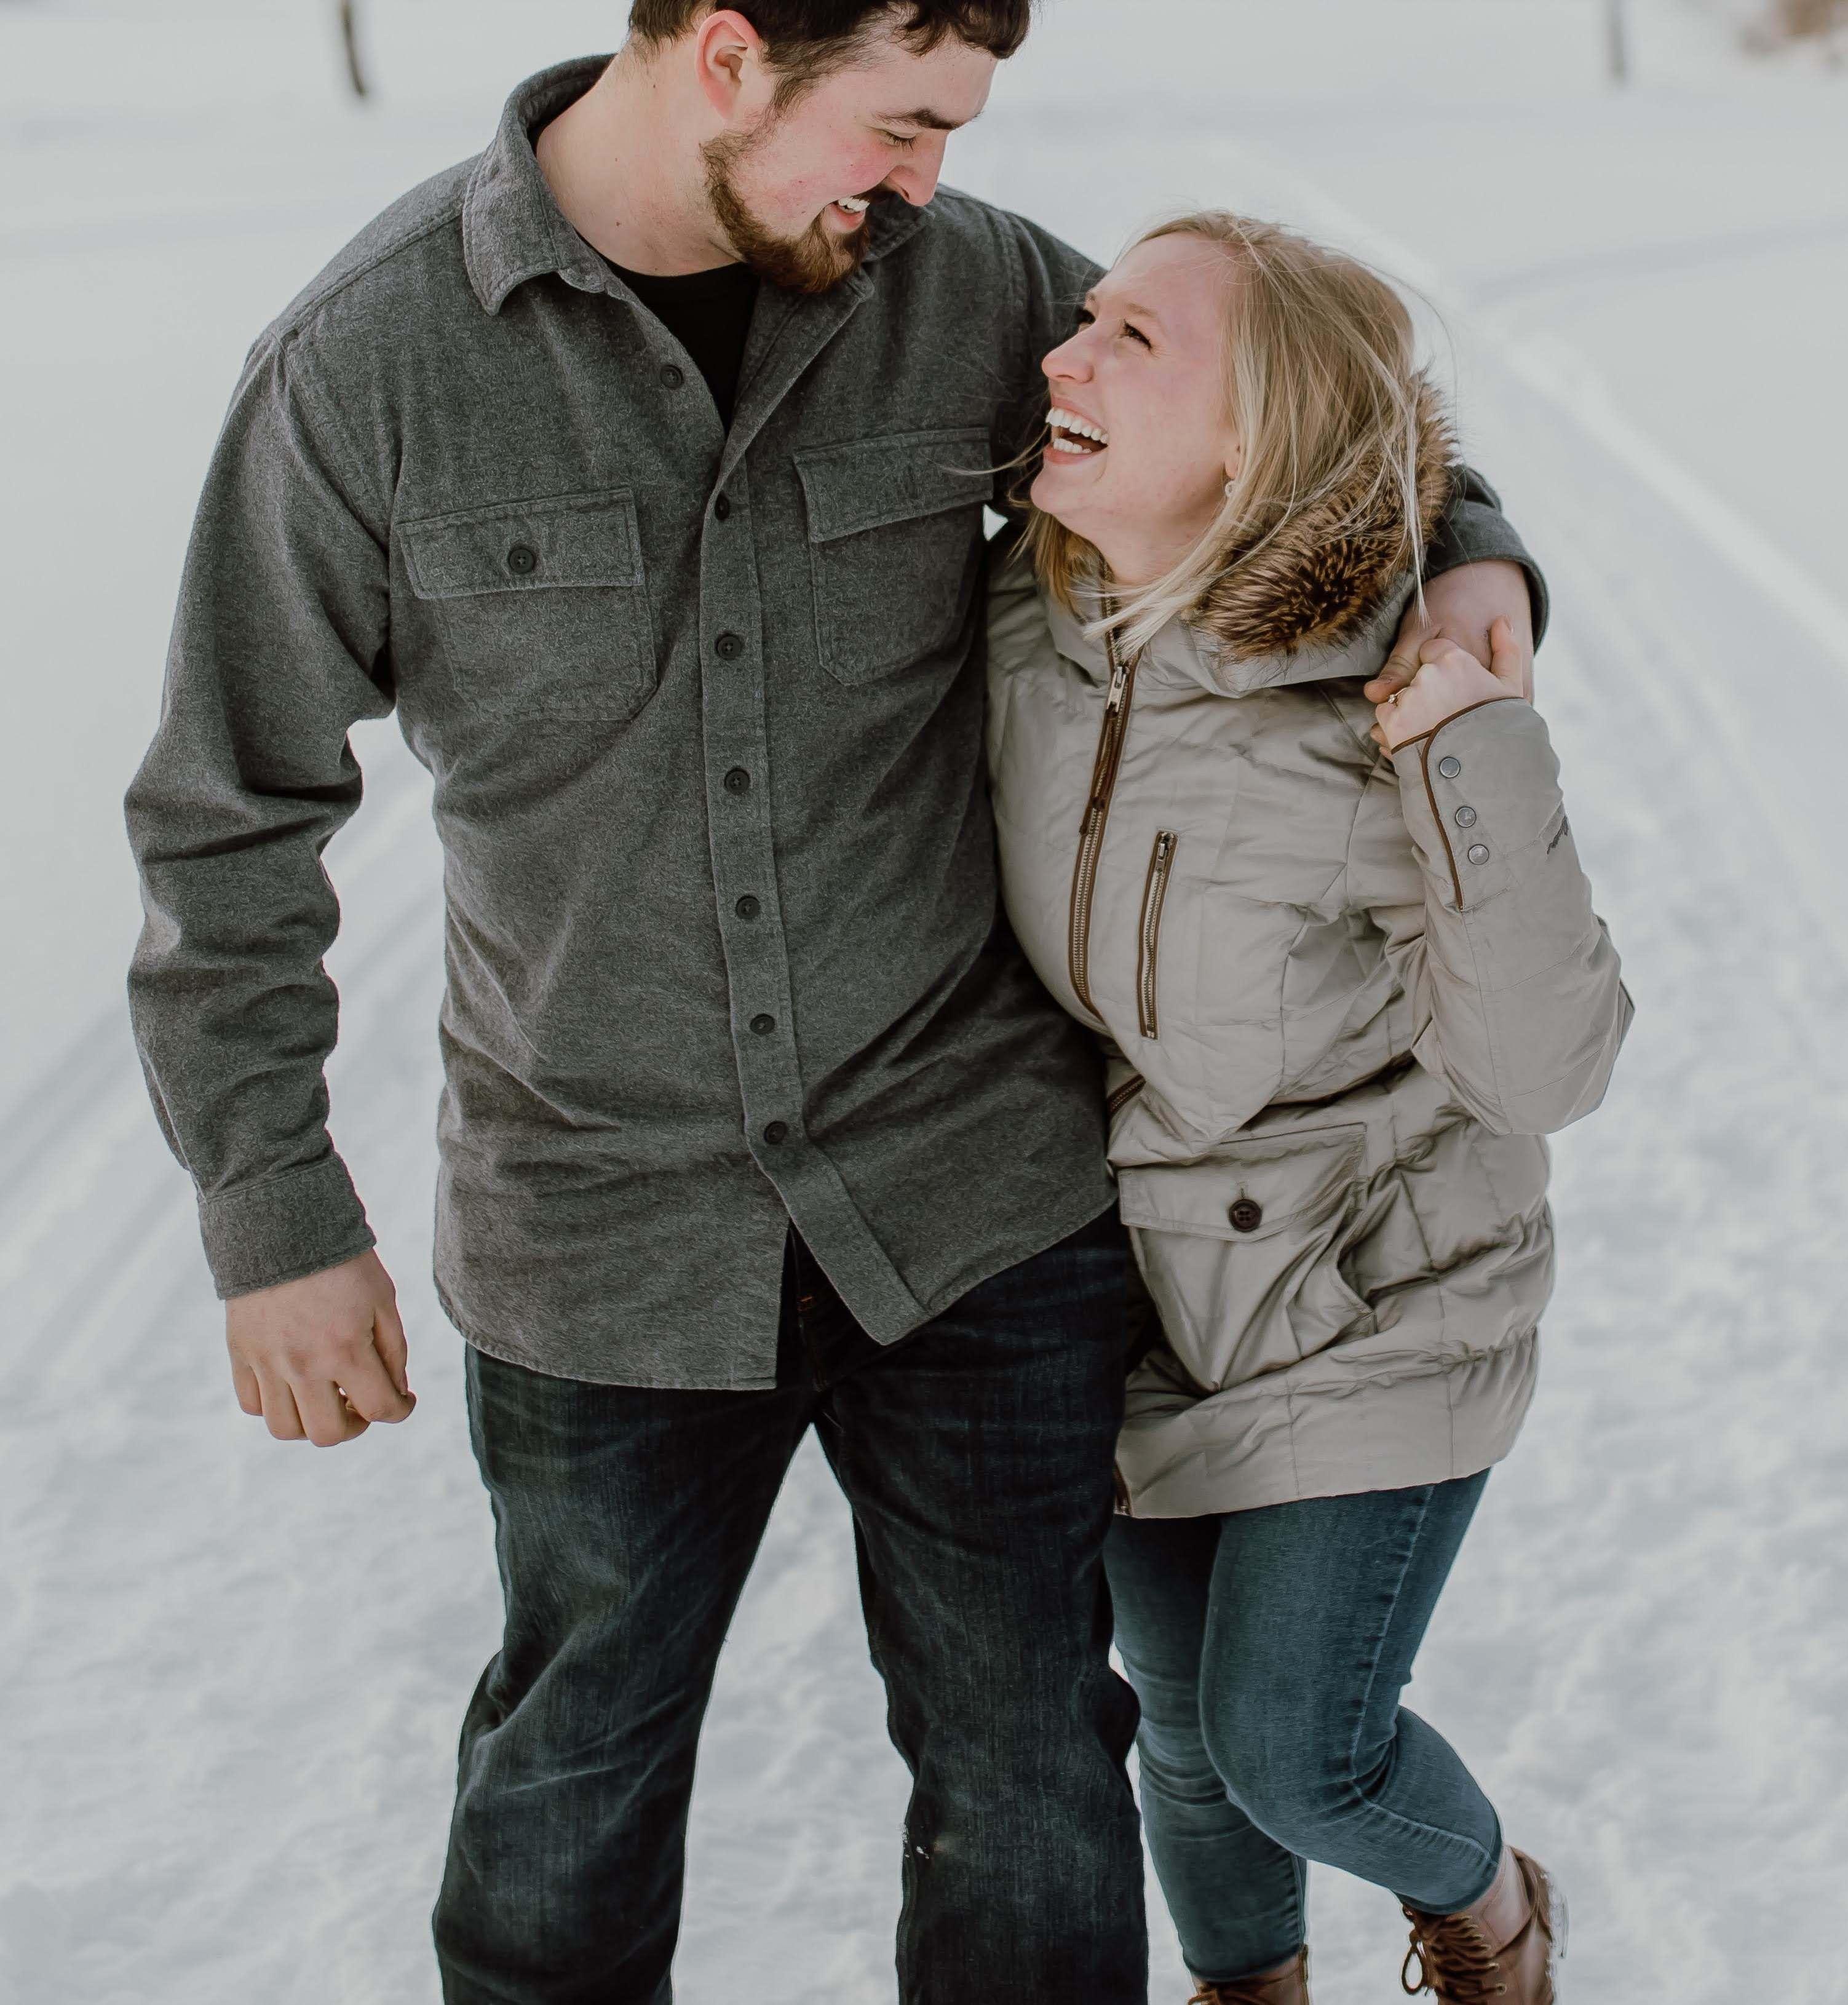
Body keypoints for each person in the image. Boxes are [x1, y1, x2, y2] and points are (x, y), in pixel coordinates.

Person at [122, 3, 1545, 1996]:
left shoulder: (954, 288)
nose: (928, 183)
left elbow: (1298, 424)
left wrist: (1473, 549)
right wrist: (273, 1213)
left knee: (1033, 1774)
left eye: (954, 132)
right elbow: (224, 814)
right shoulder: (366, 369)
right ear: (723, 56)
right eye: (899, 125)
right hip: (601, 1221)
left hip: (972, 1190)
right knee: (570, 1782)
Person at [986, 213, 1631, 2005]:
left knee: (1296, 1750)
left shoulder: (1388, 690)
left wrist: (1470, 737)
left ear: (1252, 446)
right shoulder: (1030, 606)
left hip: (1376, 1285)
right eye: (1084, 317)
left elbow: (1546, 1071)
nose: (1061, 354)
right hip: (1134, 1285)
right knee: (1181, 1740)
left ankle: (1493, 1909)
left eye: (1130, 338)